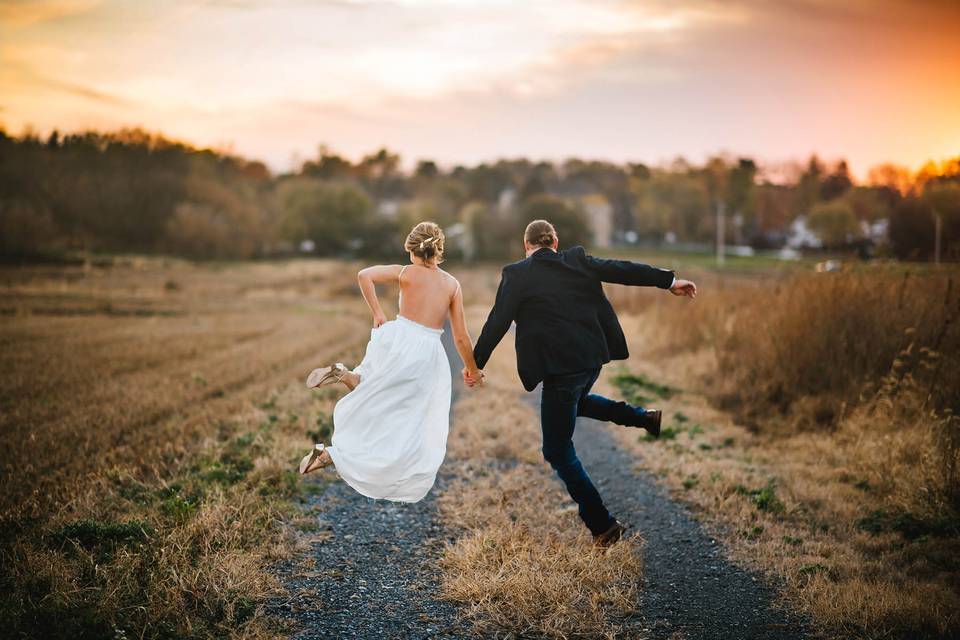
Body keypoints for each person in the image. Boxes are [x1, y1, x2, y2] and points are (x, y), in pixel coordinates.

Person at [468, 219, 697, 546]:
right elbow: (623, 269)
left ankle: (603, 525)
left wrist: (475, 364)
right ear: (555, 242)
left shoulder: (517, 274)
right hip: (591, 359)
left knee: (557, 449)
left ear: (526, 245)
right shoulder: (577, 260)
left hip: (561, 369)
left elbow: (497, 321)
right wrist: (669, 281)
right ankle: (642, 417)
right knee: (576, 403)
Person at [298, 221, 483, 502]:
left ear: (412, 250)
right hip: (426, 352)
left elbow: (364, 275)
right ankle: (332, 456)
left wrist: (377, 313)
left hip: (396, 337)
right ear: (438, 250)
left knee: (371, 390)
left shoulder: (405, 273)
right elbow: (461, 338)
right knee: (403, 420)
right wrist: (473, 370)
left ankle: (345, 375)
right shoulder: (451, 285)